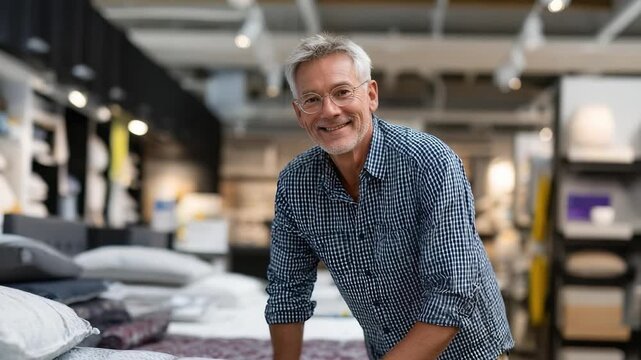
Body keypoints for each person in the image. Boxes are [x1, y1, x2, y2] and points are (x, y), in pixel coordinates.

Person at [264, 33, 514, 360]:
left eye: (342, 92)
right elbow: (287, 292)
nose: (329, 111)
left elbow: (453, 292)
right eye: (311, 99)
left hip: (469, 353)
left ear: (370, 95)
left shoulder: (429, 163)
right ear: (299, 114)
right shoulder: (296, 184)